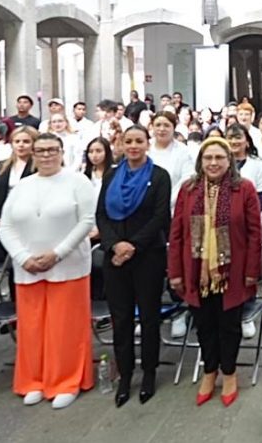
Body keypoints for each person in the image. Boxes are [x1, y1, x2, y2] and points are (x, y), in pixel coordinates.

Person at [0, 133, 96, 409]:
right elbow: (5, 225)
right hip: (28, 267)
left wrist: (57, 253)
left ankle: (66, 380)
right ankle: (34, 380)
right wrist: (22, 256)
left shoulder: (78, 181)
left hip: (68, 265)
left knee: (65, 327)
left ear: (62, 152)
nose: (46, 155)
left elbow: (86, 221)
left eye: (52, 150)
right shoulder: (22, 185)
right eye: (40, 150)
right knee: (31, 327)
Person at [169, 137, 262, 408]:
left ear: (229, 160)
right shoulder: (188, 189)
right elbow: (176, 233)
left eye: (219, 158)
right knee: (204, 325)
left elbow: (255, 234)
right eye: (208, 158)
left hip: (232, 272)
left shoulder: (243, 188)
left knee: (229, 326)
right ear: (200, 161)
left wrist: (252, 271)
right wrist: (175, 271)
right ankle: (210, 372)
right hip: (195, 271)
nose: (213, 163)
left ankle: (230, 374)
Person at [96, 126, 171, 408]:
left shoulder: (159, 176)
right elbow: (101, 215)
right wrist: (115, 245)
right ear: (121, 144)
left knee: (149, 317)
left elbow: (161, 216)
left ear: (147, 144)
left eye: (139, 141)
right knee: (121, 318)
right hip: (114, 257)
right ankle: (125, 375)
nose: (134, 146)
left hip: (147, 256)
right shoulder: (112, 175)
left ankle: (149, 373)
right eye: (128, 141)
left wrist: (132, 246)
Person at [0, 126, 37, 210]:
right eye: (17, 141)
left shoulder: (39, 167)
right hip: (1, 215)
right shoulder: (1, 166)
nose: (21, 145)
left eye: (26, 142)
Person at [147, 111, 194, 195]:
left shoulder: (184, 151)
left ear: (174, 128)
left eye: (166, 125)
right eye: (158, 125)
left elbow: (187, 179)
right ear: (152, 127)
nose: (162, 129)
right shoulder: (145, 148)